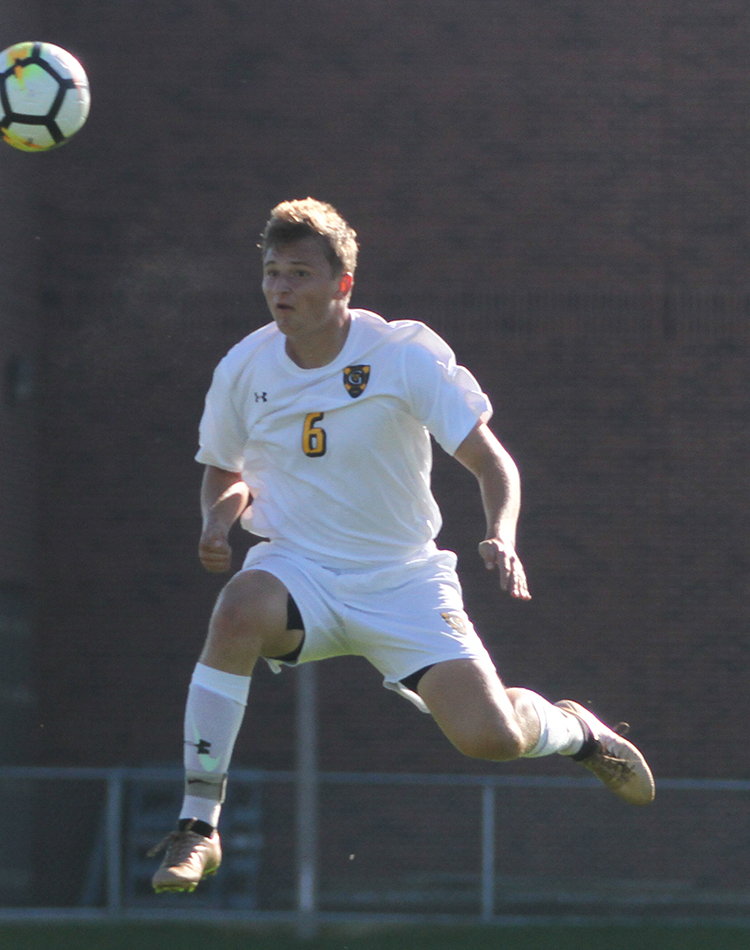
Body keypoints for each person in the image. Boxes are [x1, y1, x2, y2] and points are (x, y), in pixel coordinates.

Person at [150, 199, 655, 893]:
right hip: (298, 571)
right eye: (272, 273)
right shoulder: (245, 366)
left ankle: (575, 732)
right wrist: (215, 519)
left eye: (299, 274)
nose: (281, 290)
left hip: (402, 581)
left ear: (342, 285)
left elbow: (492, 463)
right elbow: (225, 469)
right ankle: (199, 825)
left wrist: (498, 535)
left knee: (491, 740)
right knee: (237, 608)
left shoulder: (401, 355)